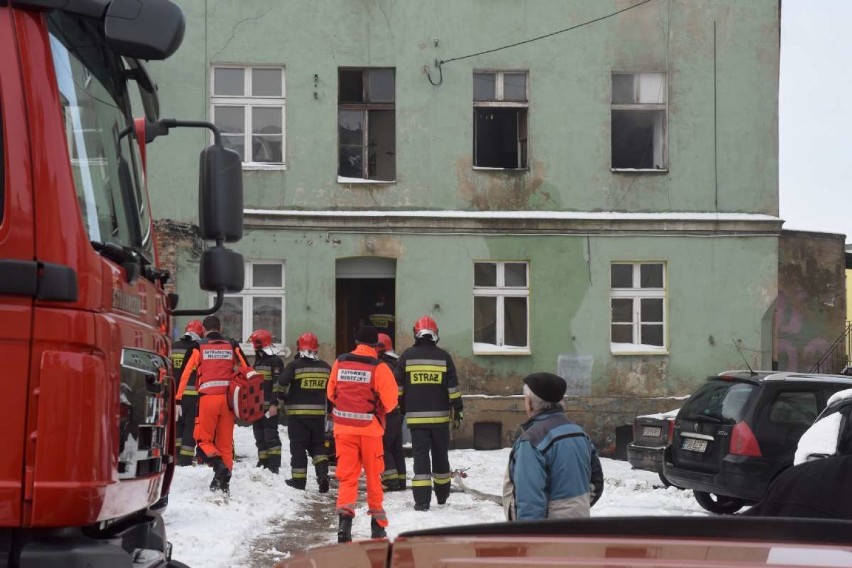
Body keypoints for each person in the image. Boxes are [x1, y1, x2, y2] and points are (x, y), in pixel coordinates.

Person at [327, 326, 397, 543]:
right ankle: (377, 527)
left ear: (356, 341)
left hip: (343, 429)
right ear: (376, 346)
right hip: (369, 430)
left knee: (347, 478)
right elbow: (391, 402)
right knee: (374, 478)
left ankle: (344, 528)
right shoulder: (379, 367)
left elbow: (331, 393)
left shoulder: (340, 361)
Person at [503, 372, 604, 520]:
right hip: (579, 528)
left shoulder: (532, 441)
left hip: (549, 535)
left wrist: (527, 539)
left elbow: (530, 503)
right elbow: (596, 482)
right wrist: (574, 509)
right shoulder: (579, 433)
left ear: (530, 403)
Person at [395, 316, 463, 511]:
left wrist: (401, 407)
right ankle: (442, 496)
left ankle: (422, 501)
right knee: (441, 456)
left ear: (416, 333)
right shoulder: (444, 357)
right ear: (435, 335)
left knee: (421, 458)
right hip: (440, 420)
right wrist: (458, 410)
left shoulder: (406, 356)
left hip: (417, 420)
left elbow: (397, 388)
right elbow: (453, 389)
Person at [177, 315, 249, 494]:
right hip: (228, 401)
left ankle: (218, 467)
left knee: (203, 440)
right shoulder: (232, 345)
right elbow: (247, 370)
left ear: (204, 329)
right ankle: (225, 481)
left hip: (207, 399)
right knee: (225, 443)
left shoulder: (198, 346)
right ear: (221, 328)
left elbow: (185, 374)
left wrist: (178, 399)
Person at [278, 331, 332, 492]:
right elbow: (331, 391)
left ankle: (299, 480)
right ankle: (322, 475)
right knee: (318, 447)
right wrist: (330, 410)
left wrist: (282, 396)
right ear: (316, 348)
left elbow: (281, 383)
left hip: (297, 416)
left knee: (299, 447)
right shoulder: (325, 368)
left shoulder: (294, 366)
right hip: (317, 416)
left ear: (298, 347)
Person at [248, 329, 285, 474]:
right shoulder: (259, 361)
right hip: (257, 407)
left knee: (271, 437)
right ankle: (263, 462)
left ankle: (274, 466)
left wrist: (274, 404)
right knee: (259, 436)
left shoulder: (275, 361)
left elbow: (277, 384)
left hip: (269, 406)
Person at [171, 320, 203, 466]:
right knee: (190, 426)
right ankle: (185, 459)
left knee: (177, 425)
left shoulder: (173, 347)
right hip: (192, 395)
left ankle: (175, 456)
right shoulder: (197, 349)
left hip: (175, 394)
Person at [378, 333, 406, 492]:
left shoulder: (382, 365)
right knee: (396, 447)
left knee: (383, 445)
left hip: (386, 411)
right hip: (397, 411)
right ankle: (401, 481)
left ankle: (391, 481)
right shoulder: (397, 363)